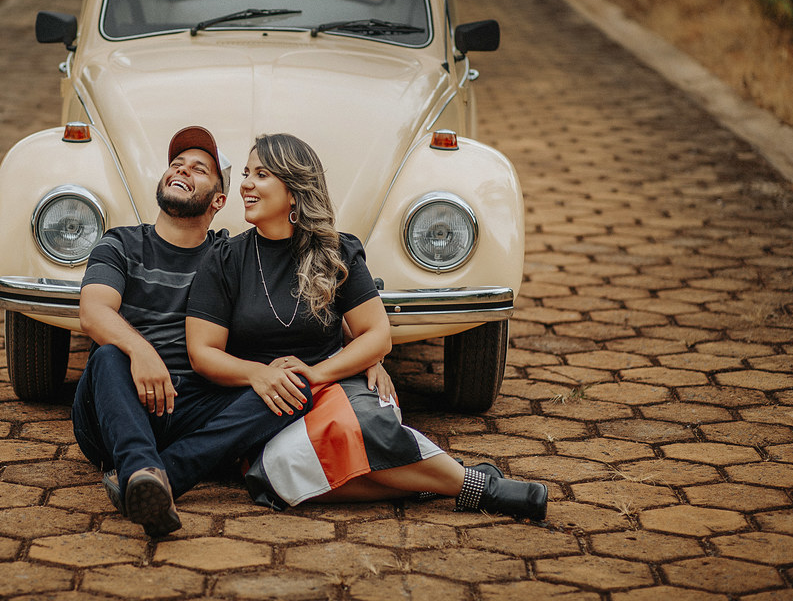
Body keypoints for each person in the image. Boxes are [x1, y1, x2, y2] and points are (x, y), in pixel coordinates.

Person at [186, 133, 548, 520]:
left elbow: (377, 334)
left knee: (362, 428)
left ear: (293, 191)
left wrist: (318, 374)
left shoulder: (335, 250)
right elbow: (202, 352)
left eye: (261, 175)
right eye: (246, 173)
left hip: (334, 381)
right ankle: (439, 480)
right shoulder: (225, 258)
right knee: (277, 474)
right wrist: (257, 375)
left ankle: (482, 490)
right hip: (264, 400)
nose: (246, 184)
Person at [72, 126, 316, 538]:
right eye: (176, 164)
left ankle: (158, 478)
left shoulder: (231, 257)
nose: (182, 170)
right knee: (108, 356)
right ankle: (142, 465)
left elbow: (308, 307)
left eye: (199, 169)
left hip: (195, 404)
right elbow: (93, 312)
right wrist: (142, 352)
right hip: (119, 399)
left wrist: (373, 358)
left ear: (219, 200)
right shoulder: (120, 244)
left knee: (294, 390)